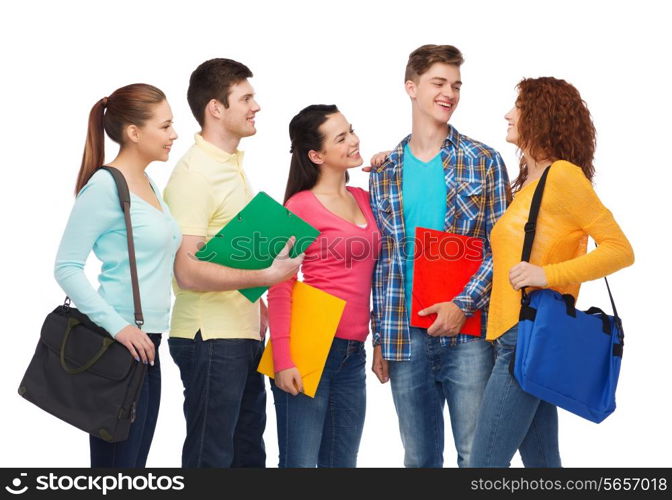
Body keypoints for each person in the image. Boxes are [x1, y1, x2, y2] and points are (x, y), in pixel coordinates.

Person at [469, 76, 635, 467]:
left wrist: (547, 275)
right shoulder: (529, 183)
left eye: (518, 108)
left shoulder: (563, 177)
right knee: (544, 467)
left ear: (540, 117)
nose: (508, 114)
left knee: (482, 468)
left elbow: (620, 250)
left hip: (526, 338)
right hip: (511, 338)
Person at [368, 44, 510, 468]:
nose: (449, 92)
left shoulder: (483, 160)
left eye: (456, 85)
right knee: (419, 459)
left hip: (468, 334)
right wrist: (381, 337)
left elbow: (501, 248)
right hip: (404, 336)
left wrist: (461, 305)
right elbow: (384, 262)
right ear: (411, 87)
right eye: (439, 83)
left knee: (477, 458)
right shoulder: (386, 169)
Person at [163, 58, 303, 468]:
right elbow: (186, 270)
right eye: (246, 98)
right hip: (210, 338)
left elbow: (220, 254)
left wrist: (257, 304)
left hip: (239, 336)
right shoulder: (194, 174)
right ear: (216, 109)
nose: (255, 106)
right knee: (212, 458)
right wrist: (267, 276)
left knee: (247, 457)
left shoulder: (231, 168)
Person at [54, 83, 181, 467]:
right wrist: (119, 328)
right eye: (165, 125)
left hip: (149, 344)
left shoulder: (148, 183)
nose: (174, 134)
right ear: (134, 132)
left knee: (131, 470)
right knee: (115, 473)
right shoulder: (105, 187)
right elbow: (66, 267)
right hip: (119, 345)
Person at [267, 105, 380, 468]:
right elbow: (280, 286)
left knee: (341, 464)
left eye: (352, 130)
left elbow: (382, 276)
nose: (354, 140)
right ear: (316, 155)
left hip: (352, 352)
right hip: (309, 347)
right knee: (300, 465)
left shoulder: (365, 198)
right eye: (341, 137)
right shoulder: (299, 206)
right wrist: (284, 360)